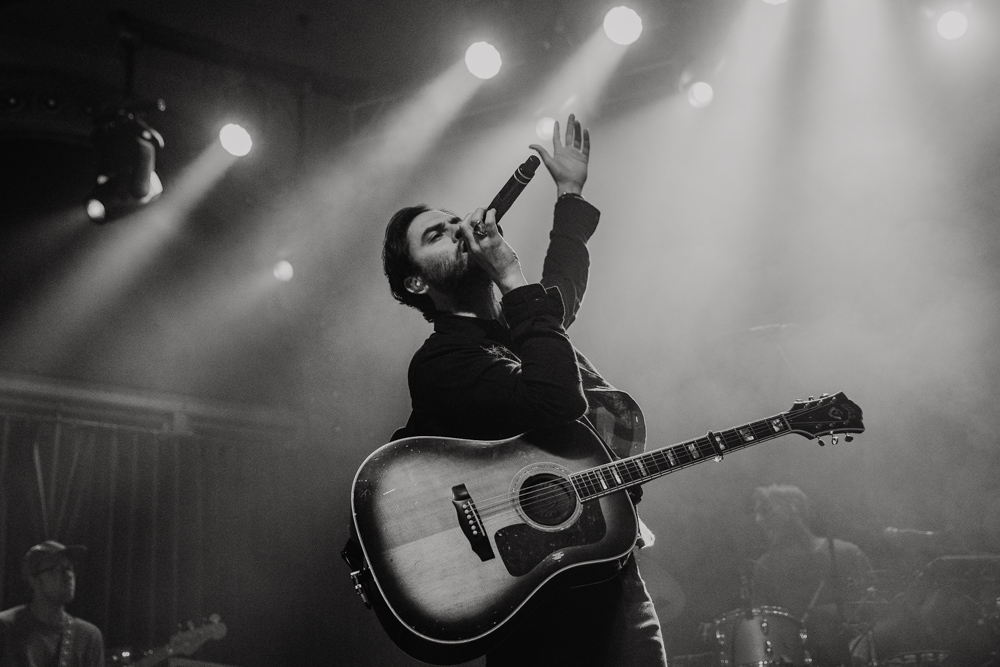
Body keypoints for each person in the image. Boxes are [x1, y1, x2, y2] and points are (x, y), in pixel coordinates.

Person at [381, 114, 667, 666]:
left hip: (604, 568)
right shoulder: (443, 362)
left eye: (455, 221)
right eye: (436, 235)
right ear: (416, 282)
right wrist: (511, 276)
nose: (459, 231)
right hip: (529, 593)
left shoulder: (517, 327)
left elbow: (559, 296)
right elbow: (556, 399)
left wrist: (569, 193)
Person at [750, 484, 873, 667]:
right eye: (757, 513)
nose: (759, 519)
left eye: (766, 510)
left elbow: (875, 608)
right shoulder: (765, 567)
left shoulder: (846, 553)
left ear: (794, 507)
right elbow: (763, 627)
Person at [0, 540, 105, 667]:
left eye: (70, 568)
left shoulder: (88, 637)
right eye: (56, 568)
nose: (68, 575)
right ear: (34, 580)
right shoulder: (6, 627)